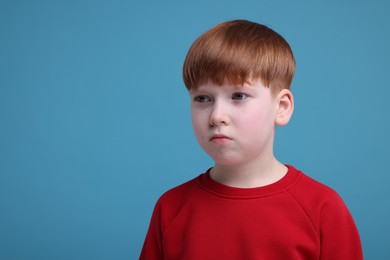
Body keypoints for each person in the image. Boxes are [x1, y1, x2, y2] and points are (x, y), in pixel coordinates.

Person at [140, 19, 363, 259]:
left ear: (282, 107)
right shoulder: (171, 208)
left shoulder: (322, 208)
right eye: (203, 98)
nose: (216, 116)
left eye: (238, 95)